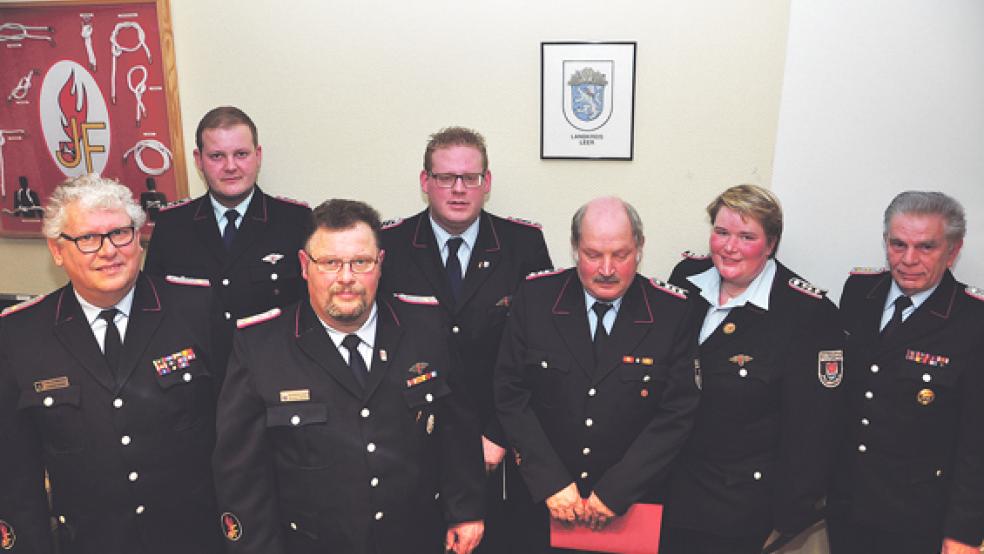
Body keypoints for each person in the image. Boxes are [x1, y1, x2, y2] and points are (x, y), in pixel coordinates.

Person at [213, 199, 485, 554]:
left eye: (361, 262)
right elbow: (241, 474)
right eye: (329, 263)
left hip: (415, 538)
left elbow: (457, 428)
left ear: (380, 264)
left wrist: (465, 511)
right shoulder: (260, 346)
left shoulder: (426, 327)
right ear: (304, 266)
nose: (346, 279)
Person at [0, 174, 221, 553]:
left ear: (139, 239)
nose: (108, 251)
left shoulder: (196, 308)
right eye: (87, 238)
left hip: (195, 538)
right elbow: (15, 471)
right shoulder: (20, 334)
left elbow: (233, 436)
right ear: (57, 250)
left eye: (121, 233)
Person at [379, 126, 552, 551]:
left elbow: (543, 349)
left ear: (486, 183)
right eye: (445, 178)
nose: (458, 189)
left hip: (497, 446)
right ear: (425, 182)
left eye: (470, 178)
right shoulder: (390, 244)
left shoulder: (521, 245)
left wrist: (500, 433)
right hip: (412, 443)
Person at [494, 196, 700, 552]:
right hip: (543, 504)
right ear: (575, 249)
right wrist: (550, 482)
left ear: (639, 249)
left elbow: (678, 412)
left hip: (633, 508)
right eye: (593, 255)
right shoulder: (536, 298)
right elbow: (510, 392)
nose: (607, 269)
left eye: (620, 254)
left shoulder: (672, 311)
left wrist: (616, 491)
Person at [657, 184, 845, 554]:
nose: (729, 247)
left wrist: (789, 515)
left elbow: (813, 430)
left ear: (771, 243)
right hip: (672, 489)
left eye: (747, 237)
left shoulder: (807, 312)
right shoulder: (687, 279)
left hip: (742, 507)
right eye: (721, 232)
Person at [827, 191, 984, 554]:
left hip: (919, 517)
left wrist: (964, 530)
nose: (908, 260)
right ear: (885, 242)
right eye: (898, 244)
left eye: (925, 247)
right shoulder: (859, 291)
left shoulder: (973, 321)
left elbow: (977, 441)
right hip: (847, 504)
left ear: (953, 251)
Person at [143, 106, 312, 360]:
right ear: (199, 160)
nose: (230, 166)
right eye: (217, 156)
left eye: (241, 154)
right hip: (197, 377)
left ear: (258, 155)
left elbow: (312, 311)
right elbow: (153, 311)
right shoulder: (171, 225)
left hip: (274, 370)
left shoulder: (295, 222)